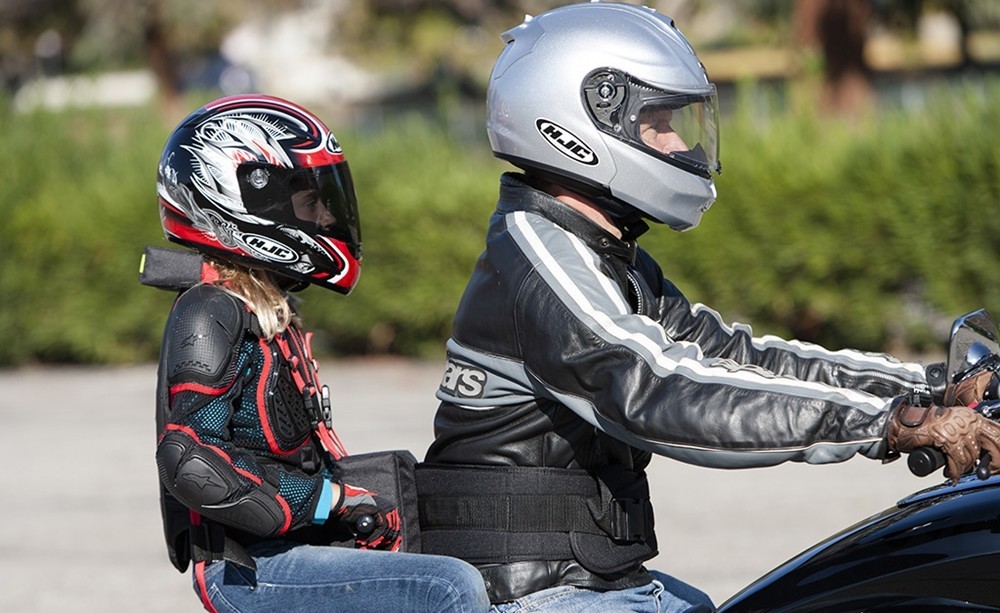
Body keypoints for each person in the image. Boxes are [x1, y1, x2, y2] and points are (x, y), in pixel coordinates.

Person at [415, 3, 1000, 612]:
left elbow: (735, 358)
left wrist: (927, 386)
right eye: (658, 124)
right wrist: (886, 423)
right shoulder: (538, 256)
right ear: (574, 126)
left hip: (595, 579)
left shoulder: (603, 254)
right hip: (529, 594)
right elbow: (657, 389)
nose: (680, 144)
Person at [150, 94, 489, 612]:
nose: (326, 215)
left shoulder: (261, 307)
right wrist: (328, 500)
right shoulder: (208, 310)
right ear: (244, 202)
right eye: (310, 202)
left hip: (290, 544)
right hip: (248, 564)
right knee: (448, 588)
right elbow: (191, 457)